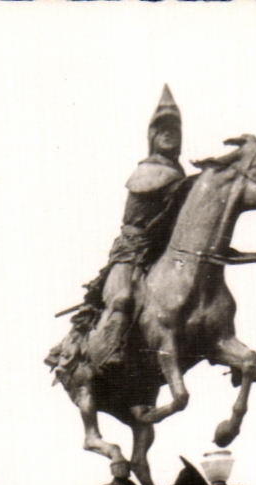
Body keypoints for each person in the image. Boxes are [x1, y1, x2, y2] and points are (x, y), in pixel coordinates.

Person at [48, 86, 188, 380]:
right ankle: (110, 349)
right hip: (133, 250)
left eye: (174, 131)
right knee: (123, 296)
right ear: (152, 136)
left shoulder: (180, 174)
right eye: (163, 130)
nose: (169, 135)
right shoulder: (148, 171)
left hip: (161, 251)